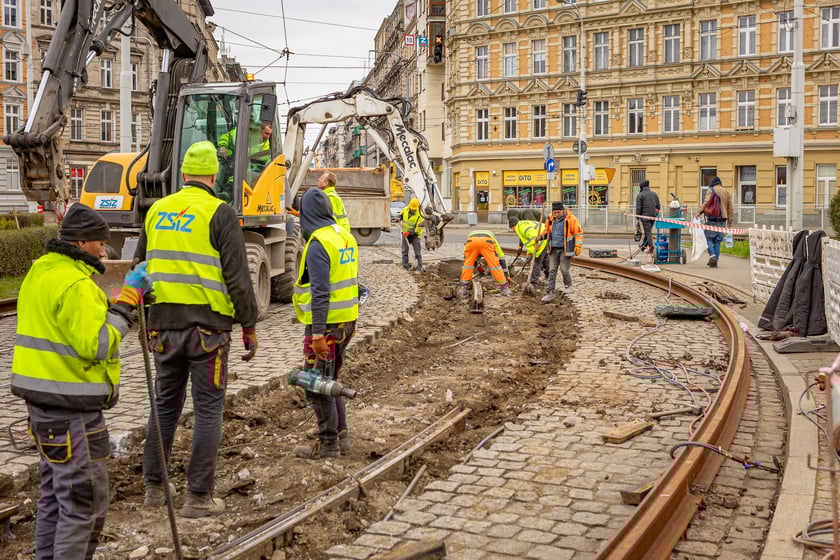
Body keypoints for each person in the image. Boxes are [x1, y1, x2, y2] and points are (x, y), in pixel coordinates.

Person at [12, 203, 151, 560]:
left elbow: (67, 329)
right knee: (83, 506)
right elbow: (98, 344)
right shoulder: (76, 284)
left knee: (54, 498)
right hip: (72, 411)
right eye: (100, 243)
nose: (104, 250)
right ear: (82, 242)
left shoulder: (41, 272)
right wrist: (128, 303)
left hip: (41, 407)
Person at [134, 140, 258, 518]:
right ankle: (198, 497)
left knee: (164, 405)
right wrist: (249, 326)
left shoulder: (156, 211)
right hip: (207, 331)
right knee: (207, 410)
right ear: (213, 175)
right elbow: (238, 278)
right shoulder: (220, 213)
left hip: (163, 328)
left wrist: (138, 316)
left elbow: (139, 266)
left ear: (183, 173)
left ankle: (155, 487)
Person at [292, 188, 359, 459]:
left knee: (315, 383)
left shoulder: (319, 242)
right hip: (346, 322)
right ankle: (341, 436)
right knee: (330, 380)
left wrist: (317, 333)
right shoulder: (344, 236)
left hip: (326, 327)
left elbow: (320, 291)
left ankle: (329, 443)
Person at [538, 201, 583, 303]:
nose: (557, 214)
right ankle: (550, 292)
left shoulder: (571, 219)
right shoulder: (550, 219)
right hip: (553, 249)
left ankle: (568, 285)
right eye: (555, 212)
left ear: (563, 211)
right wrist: (540, 237)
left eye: (558, 212)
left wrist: (578, 246)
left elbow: (578, 233)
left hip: (565, 249)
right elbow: (547, 231)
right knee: (552, 270)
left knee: (564, 269)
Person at [458, 230, 512, 297]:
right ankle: (505, 289)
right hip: (487, 242)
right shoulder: (493, 239)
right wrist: (507, 276)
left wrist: (477, 266)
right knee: (495, 266)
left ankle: (464, 288)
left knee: (468, 265)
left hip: (471, 241)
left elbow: (466, 258)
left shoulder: (470, 236)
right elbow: (502, 260)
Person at [696, 176, 733, 268]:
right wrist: (730, 221)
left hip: (712, 218)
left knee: (708, 238)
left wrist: (699, 212)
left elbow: (706, 203)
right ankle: (715, 261)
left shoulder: (711, 190)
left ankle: (712, 255)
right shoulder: (727, 192)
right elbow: (730, 208)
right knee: (717, 241)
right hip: (722, 220)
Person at [508, 215, 548, 290]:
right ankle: (548, 276)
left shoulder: (521, 227)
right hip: (545, 238)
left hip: (541, 240)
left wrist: (537, 244)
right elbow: (527, 241)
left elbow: (533, 235)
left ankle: (533, 285)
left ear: (512, 226)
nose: (513, 231)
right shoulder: (522, 224)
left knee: (536, 263)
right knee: (545, 259)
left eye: (512, 229)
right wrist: (529, 253)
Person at [634, 179, 660, 253]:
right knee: (648, 231)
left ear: (641, 187)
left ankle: (651, 247)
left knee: (648, 232)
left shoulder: (640, 195)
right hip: (652, 216)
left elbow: (639, 207)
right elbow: (658, 205)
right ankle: (643, 246)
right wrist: (657, 210)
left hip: (644, 217)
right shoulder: (654, 194)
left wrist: (637, 217)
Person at [400, 198, 424, 272]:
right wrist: (398, 218)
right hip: (405, 234)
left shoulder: (420, 215)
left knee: (417, 252)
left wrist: (410, 232)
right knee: (404, 251)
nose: (413, 210)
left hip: (415, 235)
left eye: (415, 209)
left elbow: (418, 229)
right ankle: (405, 266)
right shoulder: (405, 210)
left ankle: (419, 267)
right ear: (409, 206)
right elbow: (400, 216)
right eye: (412, 208)